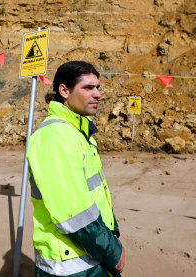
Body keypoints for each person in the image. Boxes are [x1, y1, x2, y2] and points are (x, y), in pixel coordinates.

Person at [27, 61, 125, 277]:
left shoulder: (77, 131)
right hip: (71, 266)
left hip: (91, 253)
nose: (97, 94)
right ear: (64, 90)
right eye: (88, 88)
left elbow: (93, 193)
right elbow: (73, 213)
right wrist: (112, 251)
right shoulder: (56, 136)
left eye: (98, 87)